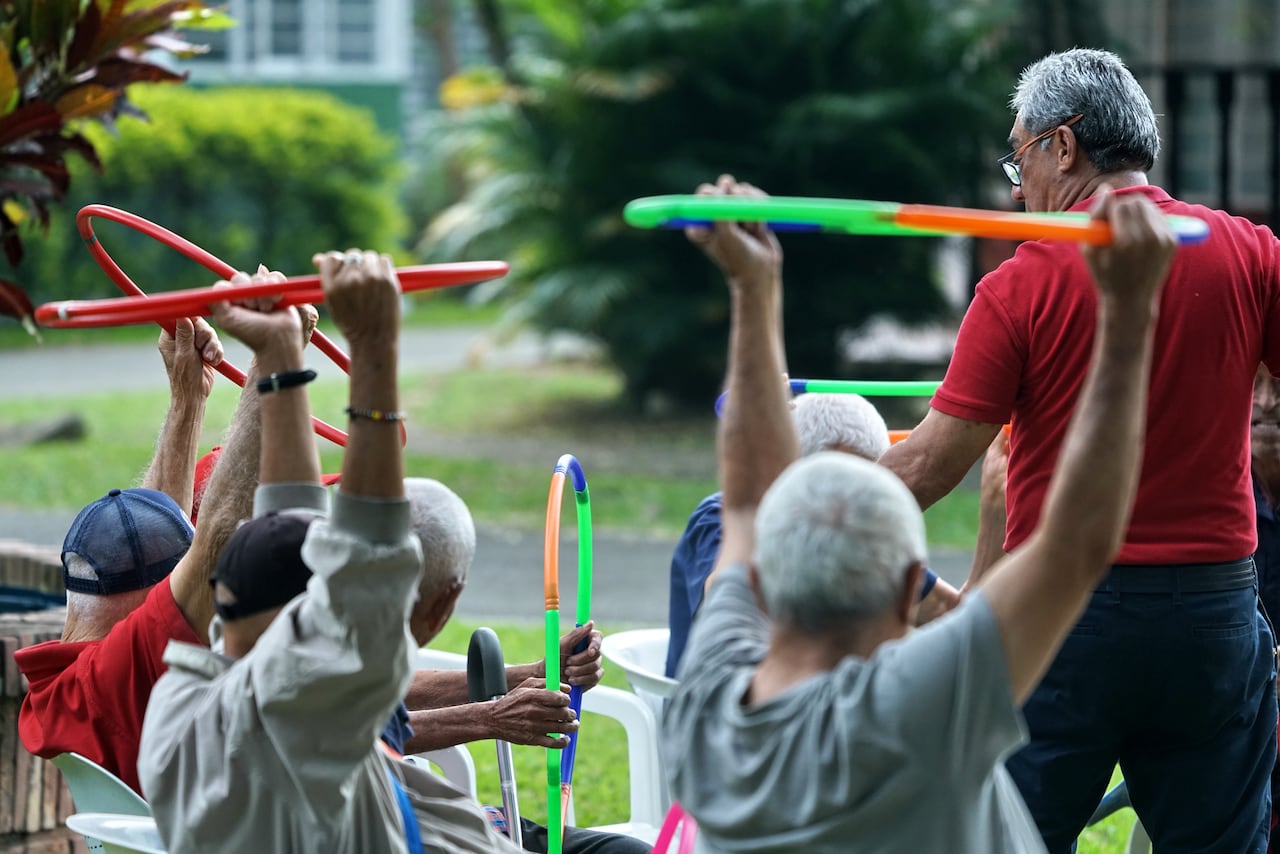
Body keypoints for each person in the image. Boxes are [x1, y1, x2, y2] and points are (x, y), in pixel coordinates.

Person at [661, 174, 1175, 852]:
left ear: (756, 581)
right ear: (911, 590)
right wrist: (1130, 310)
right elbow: (1076, 545)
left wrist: (753, 289)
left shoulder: (707, 708)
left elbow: (753, 500)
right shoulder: (915, 709)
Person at [878, 47, 1280, 852]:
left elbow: (927, 468)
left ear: (1064, 145)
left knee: (1006, 841)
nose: (1015, 187)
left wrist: (787, 517)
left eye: (1019, 156)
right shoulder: (1253, 255)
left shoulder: (1019, 285)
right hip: (1213, 617)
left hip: (1064, 621)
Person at [140, 250, 521, 853]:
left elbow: (289, 536)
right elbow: (365, 567)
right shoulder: (310, 717)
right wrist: (373, 345)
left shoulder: (182, 707)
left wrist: (282, 358)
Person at [12, 310, 272, 795]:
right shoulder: (120, 671)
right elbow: (215, 536)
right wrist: (269, 364)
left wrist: (188, 398)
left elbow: (155, 536)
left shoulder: (66, 684)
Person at [385, 478, 649, 854]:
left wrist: (532, 674)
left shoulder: (323, 624)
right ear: (448, 601)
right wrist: (489, 718)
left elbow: (390, 698)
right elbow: (353, 735)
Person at [664, 392, 959, 678]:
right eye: (831, 483)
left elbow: (949, 612)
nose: (849, 505)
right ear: (790, 469)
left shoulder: (852, 530)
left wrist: (996, 513)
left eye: (866, 486)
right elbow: (726, 602)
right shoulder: (719, 517)